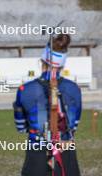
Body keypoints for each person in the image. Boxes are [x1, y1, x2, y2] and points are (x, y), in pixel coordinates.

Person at [13, 34, 82, 176]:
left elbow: (20, 127)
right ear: (62, 64)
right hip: (66, 150)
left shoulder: (24, 90)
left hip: (37, 151)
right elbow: (74, 126)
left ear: (42, 61)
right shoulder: (74, 88)